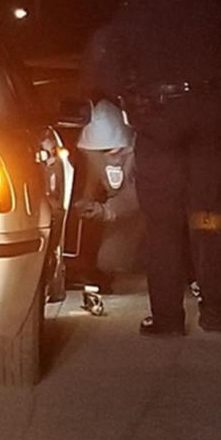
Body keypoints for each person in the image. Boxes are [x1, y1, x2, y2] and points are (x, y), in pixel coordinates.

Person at [83, 0, 221, 336]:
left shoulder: (132, 13)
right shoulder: (208, 5)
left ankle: (169, 318)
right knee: (210, 215)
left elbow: (109, 72)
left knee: (164, 222)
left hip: (160, 125)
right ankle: (216, 311)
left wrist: (133, 104)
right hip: (210, 123)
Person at [68, 99, 142, 294]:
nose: (109, 157)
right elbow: (95, 175)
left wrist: (107, 210)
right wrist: (86, 200)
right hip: (117, 211)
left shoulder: (142, 155)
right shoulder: (95, 156)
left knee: (115, 260)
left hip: (143, 218)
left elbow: (142, 192)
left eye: (112, 151)